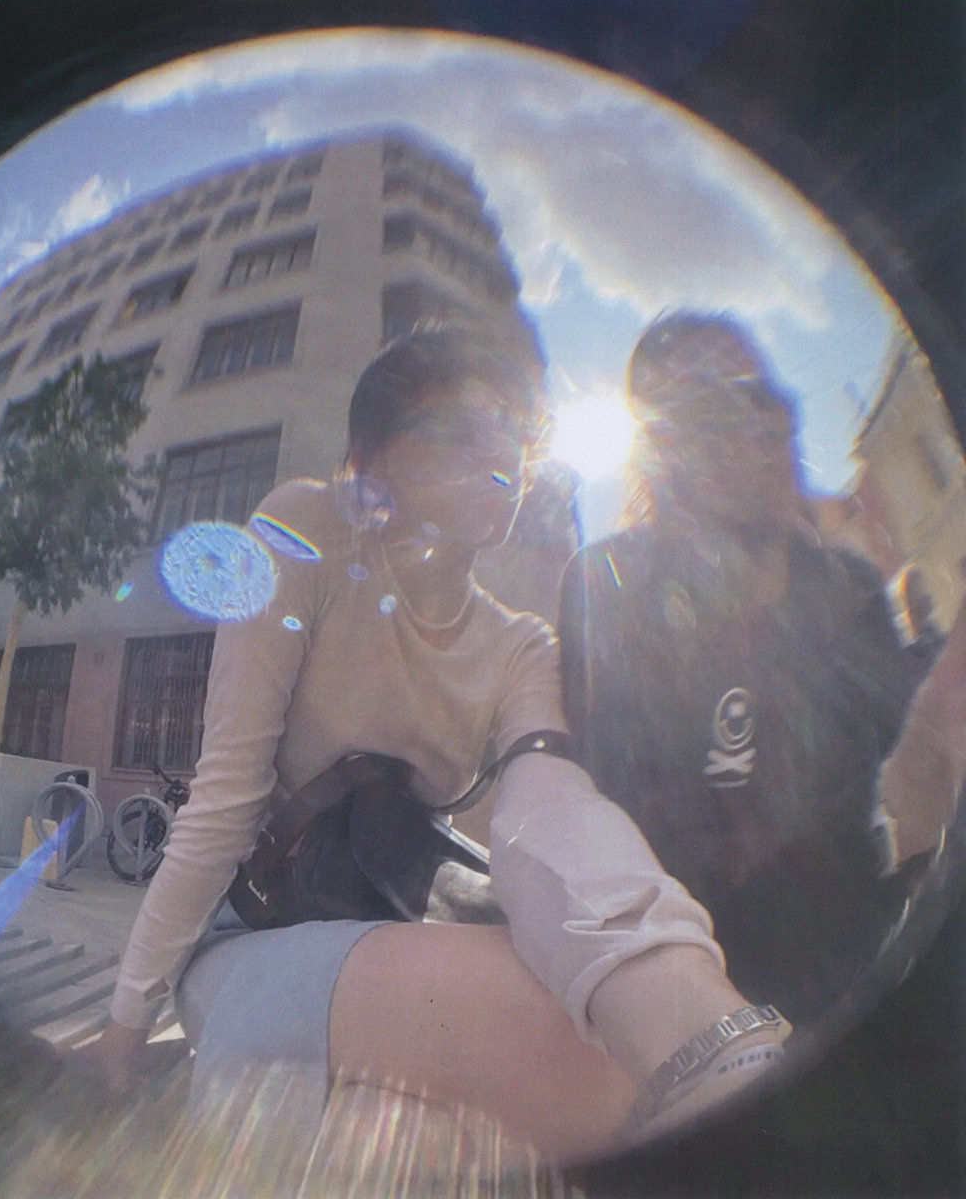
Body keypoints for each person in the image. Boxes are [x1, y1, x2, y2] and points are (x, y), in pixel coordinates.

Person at [92, 325, 791, 1163]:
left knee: (480, 1107)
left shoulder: (522, 647)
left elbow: (548, 809)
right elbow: (225, 799)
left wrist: (664, 978)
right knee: (587, 1051)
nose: (500, 450)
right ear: (368, 462)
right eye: (459, 426)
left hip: (391, 934)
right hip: (250, 934)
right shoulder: (302, 530)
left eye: (513, 429)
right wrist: (122, 1034)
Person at [559, 311, 966, 1027]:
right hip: (709, 1006)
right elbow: (627, 836)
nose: (763, 427)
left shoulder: (843, 587)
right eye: (713, 408)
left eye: (768, 399)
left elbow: (911, 760)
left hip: (878, 957)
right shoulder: (611, 585)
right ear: (663, 452)